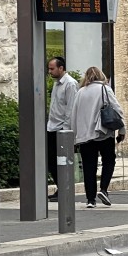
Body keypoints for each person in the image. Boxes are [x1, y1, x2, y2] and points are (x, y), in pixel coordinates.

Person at [72, 67, 126, 209]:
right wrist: (122, 129)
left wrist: (74, 136)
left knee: (89, 167)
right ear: (101, 76)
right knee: (109, 160)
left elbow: (74, 115)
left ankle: (90, 199)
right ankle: (103, 189)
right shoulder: (105, 89)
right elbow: (117, 109)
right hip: (103, 133)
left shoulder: (80, 92)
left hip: (85, 136)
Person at [46, 56, 78, 201]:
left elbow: (71, 109)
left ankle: (64, 189)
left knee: (61, 161)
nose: (50, 71)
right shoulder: (56, 84)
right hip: (52, 126)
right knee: (51, 161)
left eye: (52, 68)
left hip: (61, 129)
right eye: (49, 68)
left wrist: (66, 130)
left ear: (61, 68)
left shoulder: (70, 84)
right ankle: (61, 187)